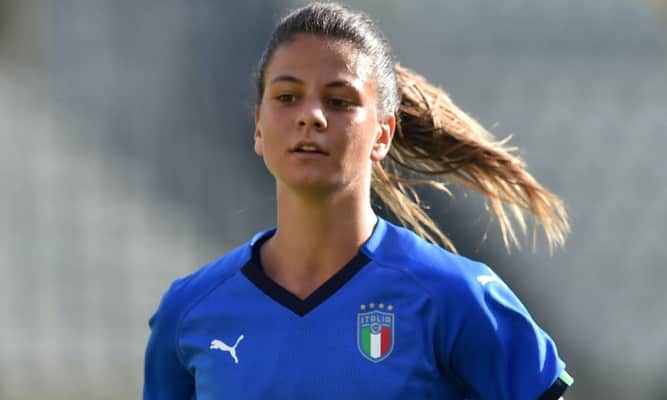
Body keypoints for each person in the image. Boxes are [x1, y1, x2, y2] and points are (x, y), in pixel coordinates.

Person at [143, 2, 574, 399]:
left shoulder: (453, 296)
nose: (310, 116)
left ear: (382, 135)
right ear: (258, 126)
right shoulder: (189, 310)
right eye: (287, 97)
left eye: (339, 101)